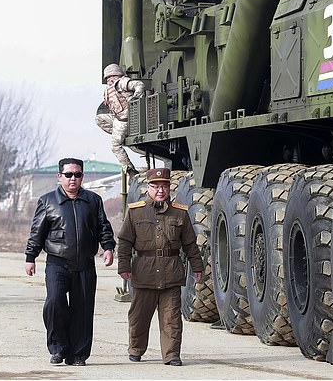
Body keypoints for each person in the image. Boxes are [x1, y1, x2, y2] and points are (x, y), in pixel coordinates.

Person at [24, 158, 115, 366]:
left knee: (83, 309)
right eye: (69, 175)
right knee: (55, 303)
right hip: (57, 263)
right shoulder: (47, 201)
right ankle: (58, 348)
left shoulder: (93, 200)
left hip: (85, 263)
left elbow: (103, 227)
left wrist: (108, 247)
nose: (73, 178)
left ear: (82, 176)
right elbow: (37, 232)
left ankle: (78, 354)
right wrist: (31, 257)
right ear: (60, 177)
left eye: (77, 174)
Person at [117, 168, 203, 366]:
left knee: (171, 318)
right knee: (139, 317)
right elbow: (124, 242)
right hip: (144, 272)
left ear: (169, 187)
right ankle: (136, 349)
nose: (160, 190)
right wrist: (123, 266)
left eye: (164, 186)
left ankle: (172, 355)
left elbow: (190, 243)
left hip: (171, 271)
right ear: (148, 187)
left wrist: (197, 267)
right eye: (155, 186)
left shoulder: (180, 212)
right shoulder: (136, 211)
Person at [96, 63, 145, 178]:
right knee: (99, 119)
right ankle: (120, 135)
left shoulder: (122, 83)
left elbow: (139, 84)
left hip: (126, 119)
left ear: (116, 75)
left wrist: (136, 97)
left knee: (115, 146)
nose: (109, 80)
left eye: (110, 77)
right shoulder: (109, 89)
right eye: (107, 78)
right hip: (118, 118)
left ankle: (130, 170)